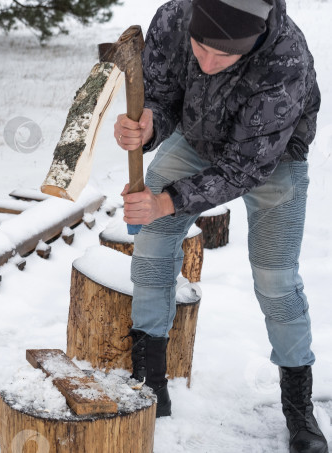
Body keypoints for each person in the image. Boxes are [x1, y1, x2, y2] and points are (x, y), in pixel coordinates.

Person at [112, 0, 326, 451]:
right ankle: (150, 380)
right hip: (195, 142)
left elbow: (243, 170)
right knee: (152, 239)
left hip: (271, 162)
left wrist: (166, 201)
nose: (207, 63)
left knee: (276, 278)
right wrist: (148, 125)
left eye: (224, 55)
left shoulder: (285, 60)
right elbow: (163, 97)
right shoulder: (174, 18)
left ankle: (299, 407)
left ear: (256, 38)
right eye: (200, 47)